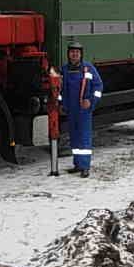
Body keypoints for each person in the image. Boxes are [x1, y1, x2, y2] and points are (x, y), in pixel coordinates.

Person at [59, 41, 103, 178]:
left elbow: (98, 87)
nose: (74, 55)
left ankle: (85, 167)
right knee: (74, 138)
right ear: (68, 54)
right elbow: (61, 91)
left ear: (81, 54)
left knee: (84, 139)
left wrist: (91, 101)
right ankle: (77, 164)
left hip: (84, 110)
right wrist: (61, 104)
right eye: (72, 52)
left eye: (77, 52)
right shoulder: (65, 70)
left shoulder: (88, 69)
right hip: (71, 110)